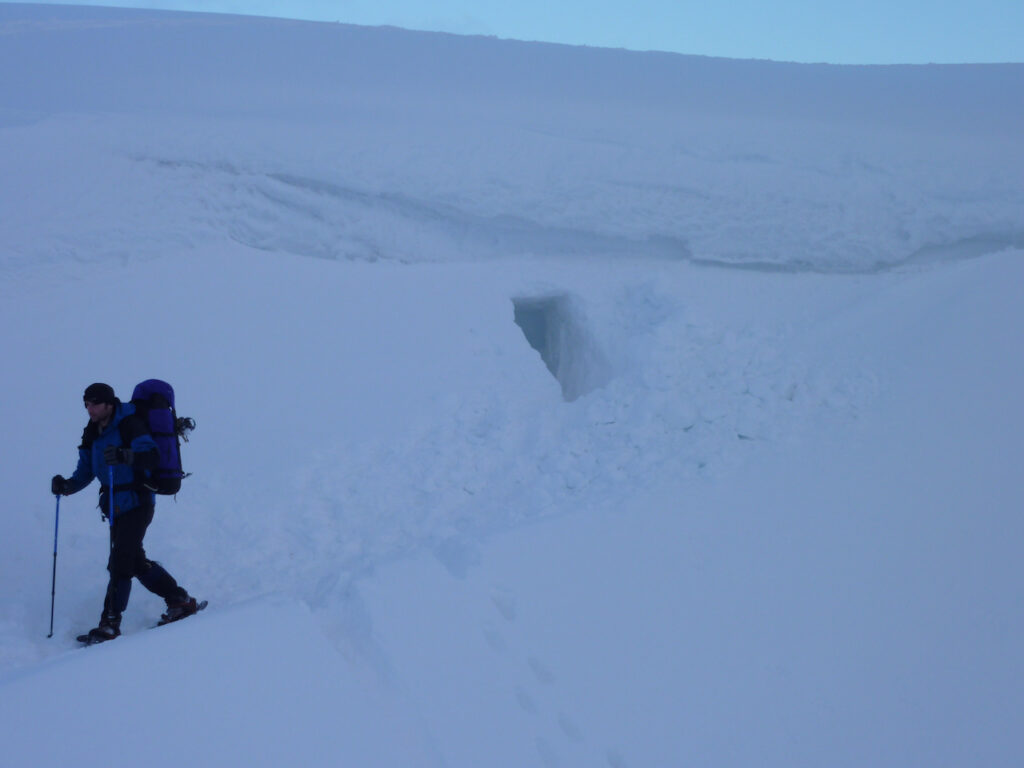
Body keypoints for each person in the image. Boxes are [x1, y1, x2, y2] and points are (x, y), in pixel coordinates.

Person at [51, 383, 200, 643]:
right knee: (134, 561)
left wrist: (123, 455)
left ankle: (110, 624)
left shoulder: (130, 423)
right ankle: (180, 600)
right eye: (86, 404)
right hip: (114, 505)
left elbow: (151, 456)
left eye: (94, 403)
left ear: (109, 403)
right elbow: (85, 470)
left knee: (120, 561)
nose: (89, 409)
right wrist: (67, 486)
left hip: (138, 500)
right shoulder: (92, 431)